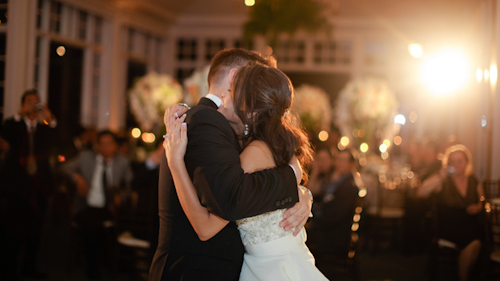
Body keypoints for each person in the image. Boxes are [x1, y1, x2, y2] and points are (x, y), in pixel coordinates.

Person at [149, 49, 312, 281]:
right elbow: (233, 200)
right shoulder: (208, 120)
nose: (224, 99)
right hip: (198, 270)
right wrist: (294, 180)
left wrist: (300, 191)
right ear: (236, 77)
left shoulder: (241, 139)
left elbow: (240, 194)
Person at [0, 89, 56, 280]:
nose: (33, 105)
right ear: (23, 103)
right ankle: (8, 271)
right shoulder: (14, 124)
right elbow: (6, 137)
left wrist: (49, 118)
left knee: (35, 234)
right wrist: (20, 113)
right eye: (29, 101)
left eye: (36, 102)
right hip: (16, 188)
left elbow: (54, 141)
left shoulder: (42, 127)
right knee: (12, 234)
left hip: (38, 188)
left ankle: (28, 270)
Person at [62, 130, 133, 279]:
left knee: (100, 225)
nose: (105, 147)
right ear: (97, 146)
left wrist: (121, 196)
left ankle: (101, 265)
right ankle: (93, 270)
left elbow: (130, 186)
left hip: (108, 207)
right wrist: (77, 178)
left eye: (109, 144)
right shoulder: (85, 157)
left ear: (115, 146)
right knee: (92, 224)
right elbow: (64, 167)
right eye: (102, 144)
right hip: (85, 206)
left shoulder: (123, 162)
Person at [416, 144, 484, 281]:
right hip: (449, 227)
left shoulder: (473, 180)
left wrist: (478, 207)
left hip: (470, 225)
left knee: (478, 238)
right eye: (452, 162)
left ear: (466, 163)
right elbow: (420, 193)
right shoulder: (443, 180)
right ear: (447, 164)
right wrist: (440, 177)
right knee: (475, 241)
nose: (456, 164)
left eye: (460, 161)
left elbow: (482, 200)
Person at [307, 149, 361, 261]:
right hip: (331, 230)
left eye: (342, 160)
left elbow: (334, 216)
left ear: (352, 164)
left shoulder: (349, 186)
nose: (338, 163)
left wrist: (312, 224)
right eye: (337, 160)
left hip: (333, 236)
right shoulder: (341, 180)